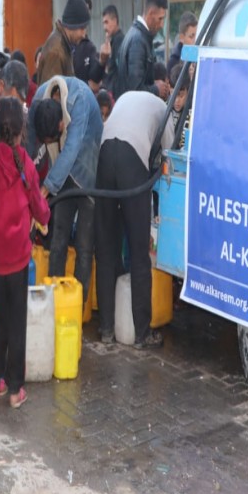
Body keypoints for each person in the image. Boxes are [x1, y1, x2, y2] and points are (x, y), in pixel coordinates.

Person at [0, 97, 50, 408]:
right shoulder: (26, 164)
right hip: (18, 259)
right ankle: (16, 389)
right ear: (21, 130)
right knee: (17, 323)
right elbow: (39, 207)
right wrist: (45, 218)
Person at [94, 90, 175, 350]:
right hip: (132, 158)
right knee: (139, 250)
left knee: (106, 246)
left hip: (105, 153)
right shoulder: (164, 109)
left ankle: (106, 328)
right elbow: (170, 156)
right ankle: (142, 334)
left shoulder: (128, 96)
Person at [27, 75, 103, 297]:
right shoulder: (39, 100)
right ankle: (53, 298)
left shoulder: (78, 101)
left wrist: (43, 191)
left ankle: (76, 309)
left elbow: (70, 151)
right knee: (59, 234)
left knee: (84, 243)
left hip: (88, 167)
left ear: (63, 124)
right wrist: (28, 184)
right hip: (61, 170)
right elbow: (30, 143)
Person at [114, 0, 170, 99]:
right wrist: (156, 89)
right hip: (134, 113)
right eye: (160, 19)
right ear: (151, 14)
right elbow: (135, 89)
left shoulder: (136, 35)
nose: (162, 24)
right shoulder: (138, 41)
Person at [35, 0, 90, 85]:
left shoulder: (65, 45)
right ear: (73, 25)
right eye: (82, 28)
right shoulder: (56, 51)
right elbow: (53, 95)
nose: (84, 35)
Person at [71, 0, 103, 92]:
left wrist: (102, 62)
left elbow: (94, 81)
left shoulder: (89, 47)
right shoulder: (63, 43)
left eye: (87, 11)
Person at [99, 4, 124, 90]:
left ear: (115, 21)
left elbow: (118, 70)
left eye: (107, 22)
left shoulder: (119, 41)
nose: (104, 27)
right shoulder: (111, 42)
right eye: (103, 23)